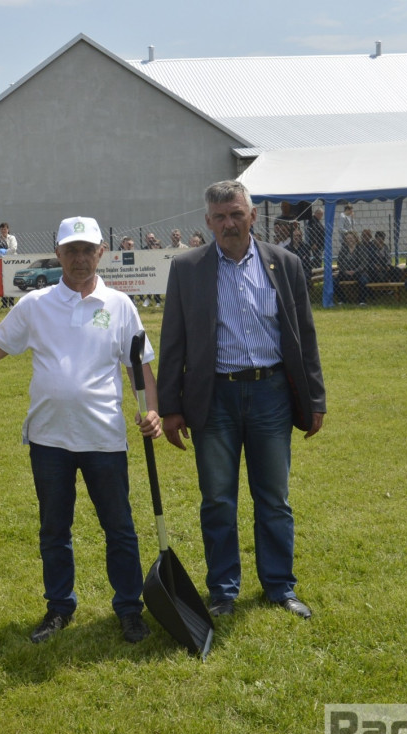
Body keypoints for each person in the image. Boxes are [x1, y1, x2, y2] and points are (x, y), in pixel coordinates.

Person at [0, 215, 161, 645]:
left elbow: (140, 367)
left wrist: (152, 410)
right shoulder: (36, 304)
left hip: (104, 439)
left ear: (101, 252)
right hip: (49, 440)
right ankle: (59, 607)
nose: (80, 259)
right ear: (58, 254)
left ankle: (130, 608)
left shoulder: (120, 305)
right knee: (54, 531)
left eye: (87, 250)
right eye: (71, 250)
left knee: (119, 529)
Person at [157, 180, 325, 621]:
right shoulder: (188, 268)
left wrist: (315, 398)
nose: (229, 223)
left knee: (274, 497)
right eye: (220, 217)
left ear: (252, 215)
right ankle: (223, 592)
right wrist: (171, 408)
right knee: (217, 499)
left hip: (271, 395)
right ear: (208, 222)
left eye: (236, 214)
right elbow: (173, 340)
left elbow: (303, 335)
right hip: (213, 398)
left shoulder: (284, 264)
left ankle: (279, 587)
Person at [335, 230, 369, 305]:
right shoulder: (343, 249)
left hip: (358, 272)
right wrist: (345, 271)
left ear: (355, 238)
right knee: (334, 281)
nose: (349, 239)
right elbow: (339, 262)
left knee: (364, 280)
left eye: (351, 238)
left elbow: (364, 262)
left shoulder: (361, 248)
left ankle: (362, 300)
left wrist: (355, 271)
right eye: (347, 238)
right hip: (345, 272)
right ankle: (342, 299)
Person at [0, 222, 19, 308]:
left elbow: (14, 248)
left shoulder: (12, 238)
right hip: (0, 263)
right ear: (0, 230)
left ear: (8, 230)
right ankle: (4, 303)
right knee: (2, 283)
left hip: (10, 262)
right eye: (2, 229)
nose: (3, 231)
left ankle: (11, 303)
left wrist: (5, 252)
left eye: (5, 229)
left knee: (10, 281)